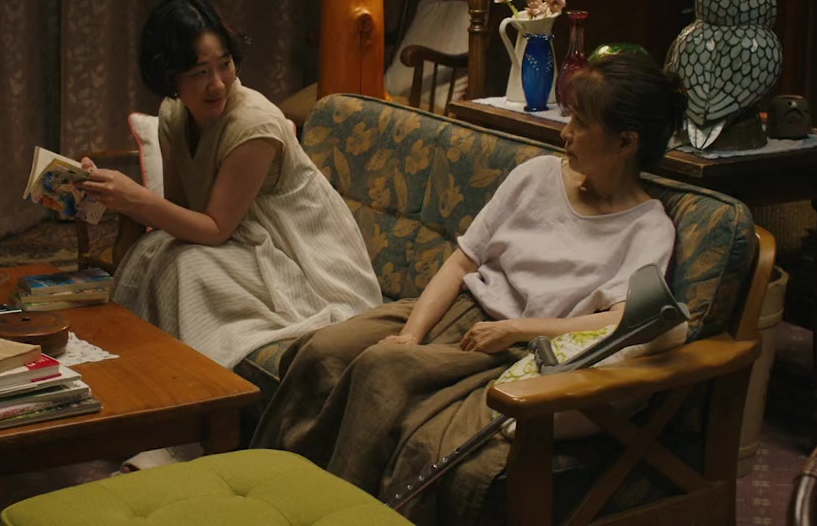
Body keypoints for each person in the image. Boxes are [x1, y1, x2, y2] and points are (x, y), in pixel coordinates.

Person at [251, 52, 689, 525]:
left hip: (509, 349)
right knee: (323, 350)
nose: (566, 133)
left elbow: (623, 319)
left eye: (581, 123)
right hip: (455, 308)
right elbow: (463, 260)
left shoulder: (647, 228)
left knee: (382, 370)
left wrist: (516, 330)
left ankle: (329, 514)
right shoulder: (537, 175)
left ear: (626, 142)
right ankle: (262, 494)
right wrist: (413, 333)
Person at [79, 0, 381, 368]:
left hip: (302, 259)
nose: (218, 84)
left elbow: (215, 229)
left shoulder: (254, 124)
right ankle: (141, 372)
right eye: (199, 73)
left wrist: (135, 198)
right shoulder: (174, 113)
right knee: (156, 252)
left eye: (224, 65)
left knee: (184, 267)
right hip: (241, 241)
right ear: (169, 76)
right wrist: (104, 189)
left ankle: (195, 384)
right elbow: (180, 211)